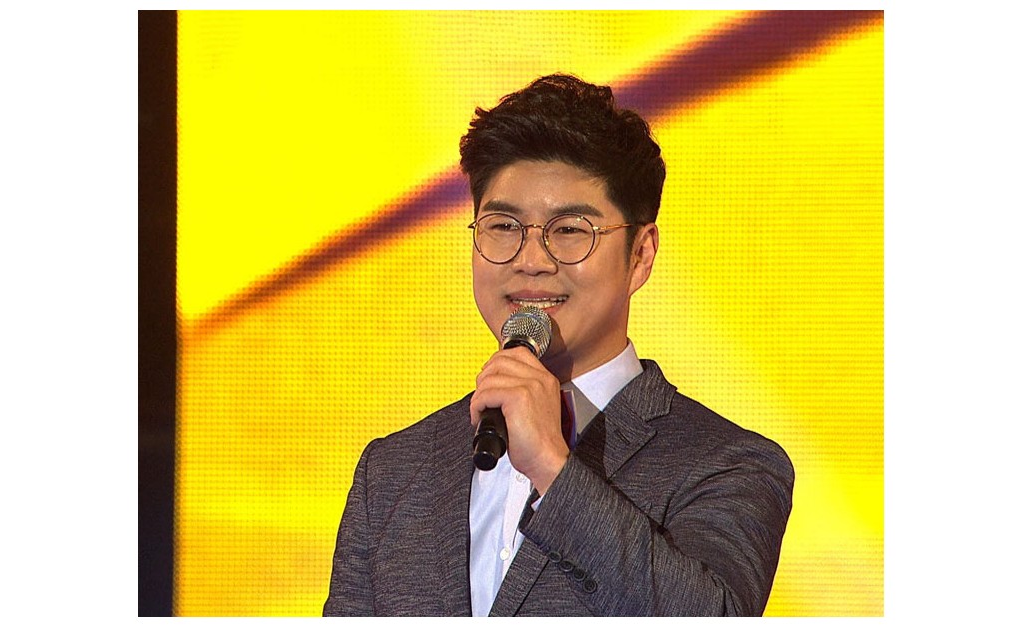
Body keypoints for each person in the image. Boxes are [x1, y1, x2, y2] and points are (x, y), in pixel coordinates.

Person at [323, 74, 794, 616]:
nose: (531, 260)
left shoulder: (728, 464)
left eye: (570, 230)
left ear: (640, 254)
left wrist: (553, 467)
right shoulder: (392, 472)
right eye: (503, 226)